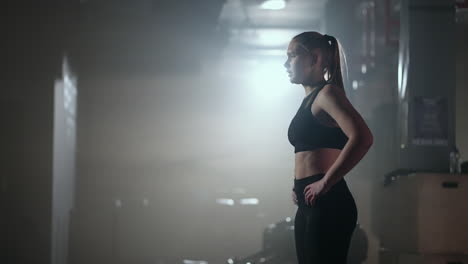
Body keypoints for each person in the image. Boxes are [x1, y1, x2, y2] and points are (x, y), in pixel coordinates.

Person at [284, 31, 373, 264]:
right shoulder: (309, 99)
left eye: (292, 56)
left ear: (315, 58)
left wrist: (325, 182)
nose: (286, 63)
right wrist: (299, 185)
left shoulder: (327, 94)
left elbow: (363, 138)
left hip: (329, 203)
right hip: (309, 203)